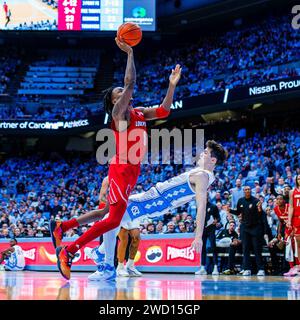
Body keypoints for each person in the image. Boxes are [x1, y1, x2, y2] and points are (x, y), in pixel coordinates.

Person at [51, 38, 182, 280]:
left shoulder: (139, 112)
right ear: (114, 101)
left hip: (133, 169)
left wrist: (171, 85)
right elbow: (130, 82)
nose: (123, 93)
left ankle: (64, 227)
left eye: (122, 91)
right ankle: (69, 251)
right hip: (122, 167)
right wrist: (130, 53)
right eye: (118, 93)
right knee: (113, 220)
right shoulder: (119, 113)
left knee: (106, 214)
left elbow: (164, 110)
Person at [51, 140, 227, 281]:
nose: (201, 153)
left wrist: (198, 237)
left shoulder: (203, 176)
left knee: (109, 220)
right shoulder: (201, 173)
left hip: (149, 203)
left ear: (213, 160)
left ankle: (82, 248)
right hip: (149, 201)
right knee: (108, 218)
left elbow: (201, 206)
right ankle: (79, 244)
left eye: (205, 152)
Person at [231, 186, 269, 276]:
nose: (247, 191)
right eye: (245, 190)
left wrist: (260, 209)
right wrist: (230, 210)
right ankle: (247, 269)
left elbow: (260, 214)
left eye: (248, 189)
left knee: (257, 249)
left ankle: (261, 269)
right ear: (244, 191)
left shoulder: (256, 201)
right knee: (245, 249)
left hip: (255, 228)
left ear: (250, 191)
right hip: (245, 228)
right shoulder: (240, 200)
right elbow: (238, 212)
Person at [195, 195, 221, 275]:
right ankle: (203, 268)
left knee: (213, 247)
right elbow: (198, 218)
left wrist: (216, 221)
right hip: (203, 230)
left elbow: (218, 218)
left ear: (207, 197)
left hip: (211, 229)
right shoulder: (199, 207)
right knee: (202, 248)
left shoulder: (213, 206)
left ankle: (215, 267)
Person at [286, 174, 300, 276]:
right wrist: (289, 220)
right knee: (298, 244)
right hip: (296, 220)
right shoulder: (292, 192)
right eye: (299, 178)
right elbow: (291, 207)